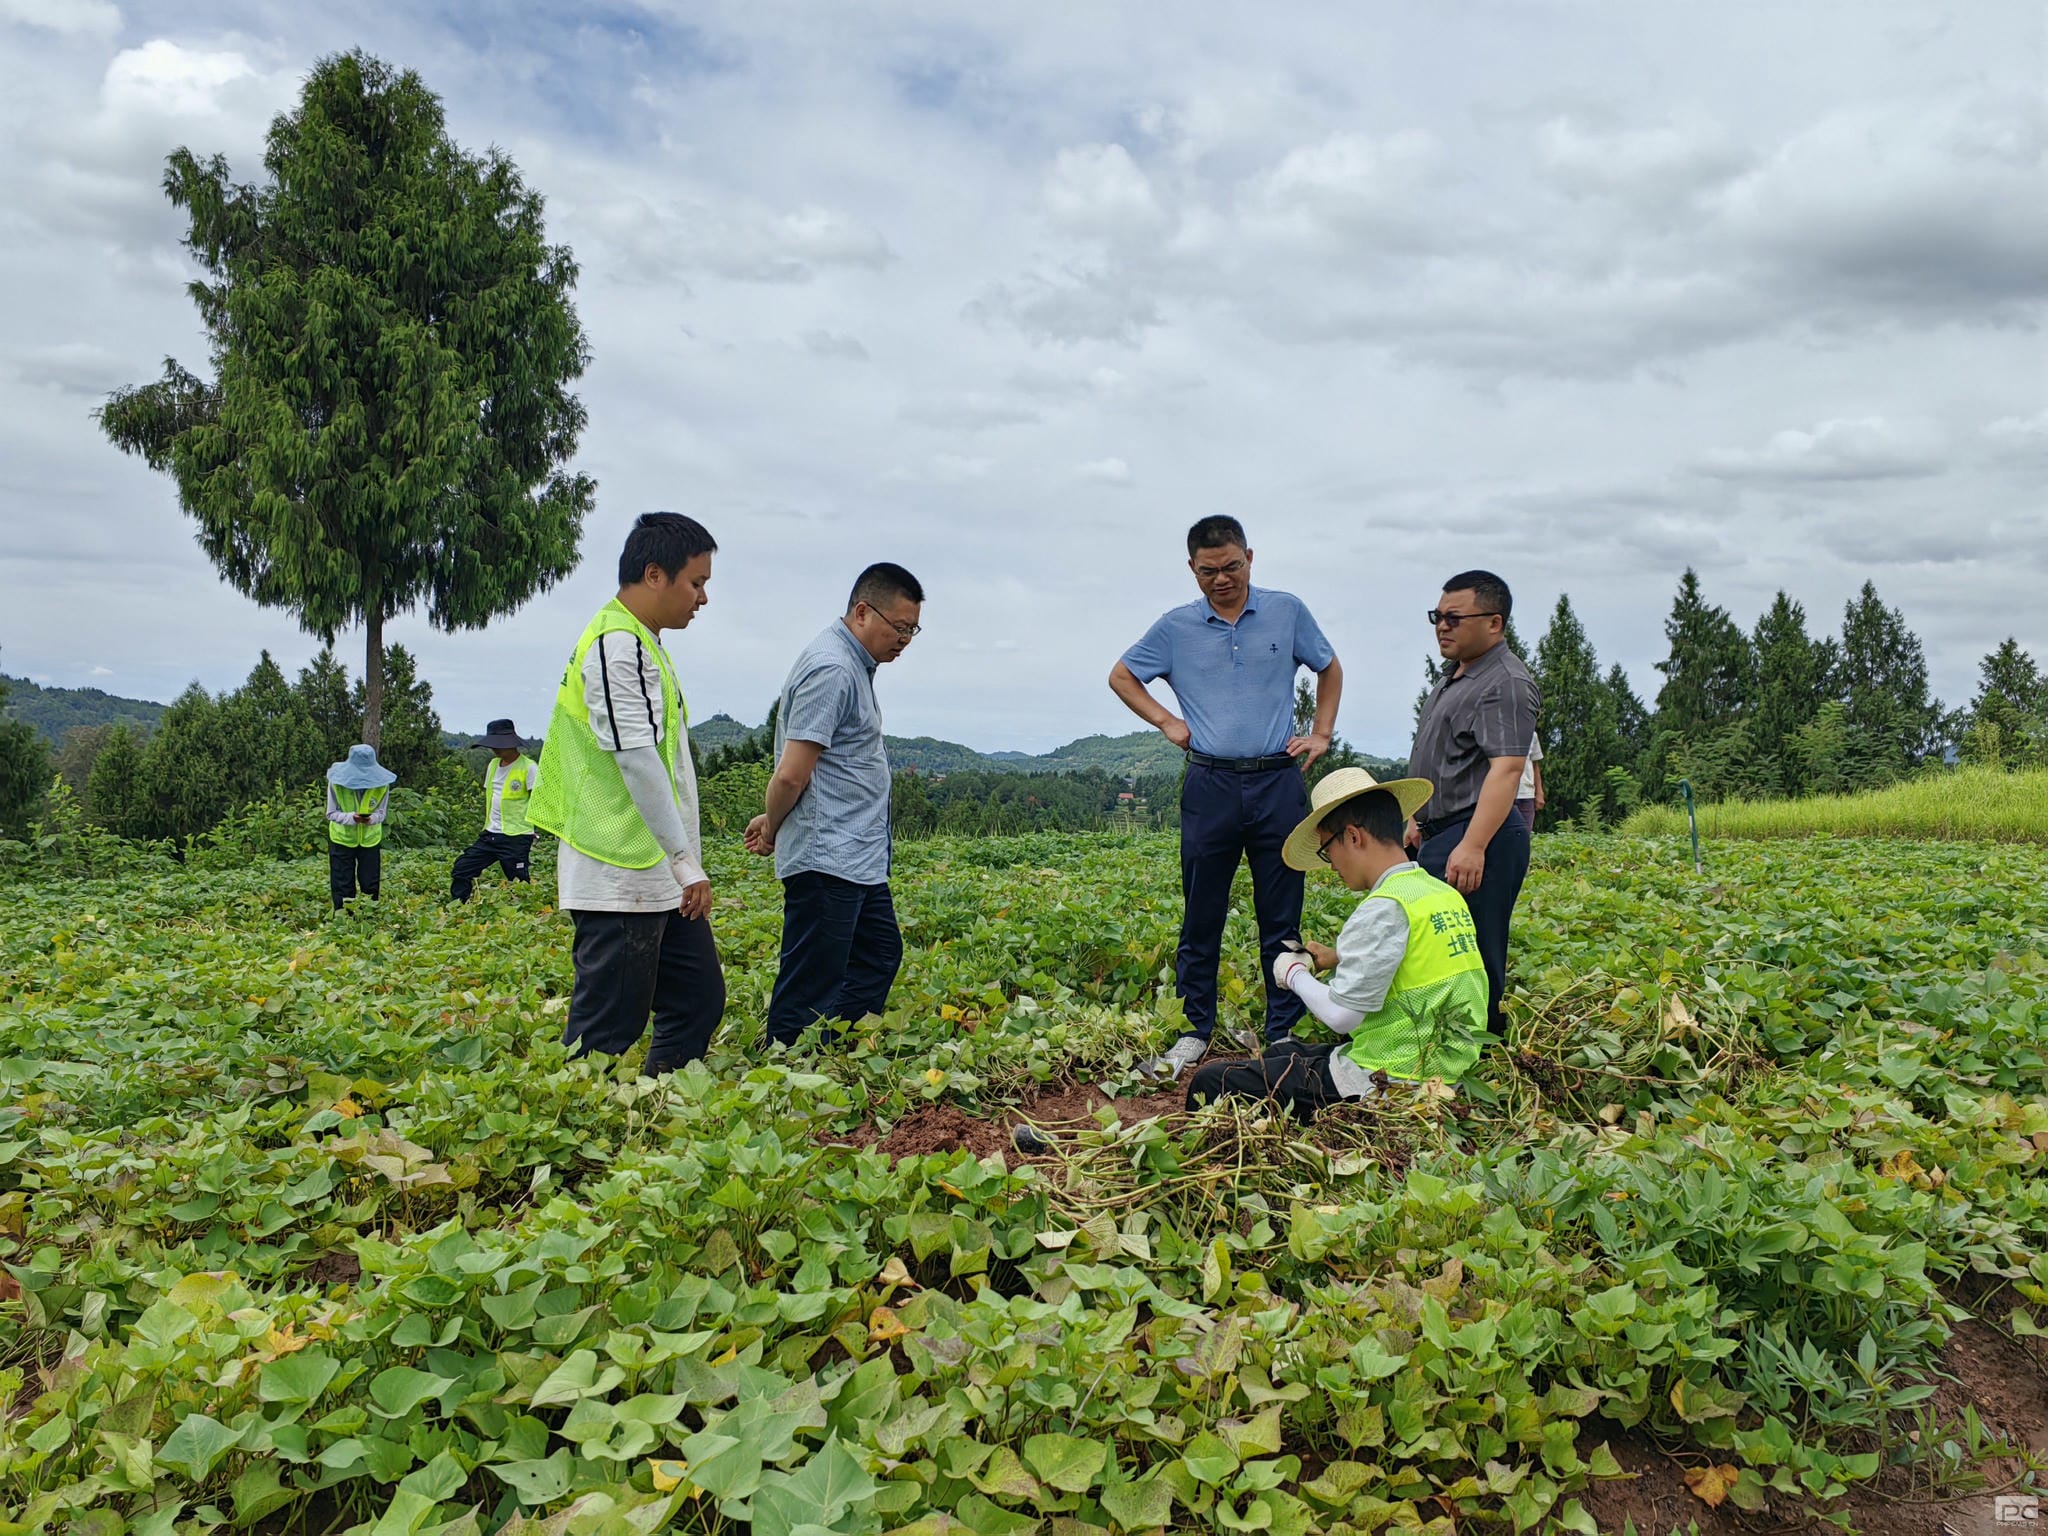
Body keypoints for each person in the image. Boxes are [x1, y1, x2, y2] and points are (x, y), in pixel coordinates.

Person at [1109, 515, 1342, 1079]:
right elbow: (1121, 676)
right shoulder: (1175, 628)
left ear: (1250, 558)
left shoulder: (1286, 611)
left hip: (1278, 780)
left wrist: (1322, 731)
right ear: (1192, 569)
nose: (1222, 579)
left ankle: (1281, 1031)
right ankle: (1195, 1029)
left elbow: (1329, 666)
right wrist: (1167, 722)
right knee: (1202, 909)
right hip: (1210, 783)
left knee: (1281, 912)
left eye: (1232, 566)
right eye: (1209, 571)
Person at [526, 513, 726, 1075]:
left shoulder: (645, 643)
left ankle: (656, 1106)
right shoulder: (618, 646)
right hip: (619, 872)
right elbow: (636, 759)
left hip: (656, 870)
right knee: (606, 1028)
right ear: (655, 574)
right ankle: (583, 1137)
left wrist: (681, 864)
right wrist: (686, 862)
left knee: (696, 1001)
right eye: (697, 583)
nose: (703, 599)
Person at [1184, 768, 1486, 1119]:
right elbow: (1412, 958)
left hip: (1388, 1082)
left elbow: (1341, 1016)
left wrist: (1294, 973)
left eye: (1328, 850)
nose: (1331, 867)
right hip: (1444, 1071)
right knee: (1282, 1056)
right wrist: (1338, 957)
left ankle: (1212, 1141)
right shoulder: (1438, 893)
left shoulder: (1383, 906)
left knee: (1211, 1081)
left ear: (1353, 837)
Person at [745, 563, 924, 1048]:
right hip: (830, 855)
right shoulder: (833, 669)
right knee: (812, 978)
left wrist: (773, 816)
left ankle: (826, 1051)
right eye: (900, 627)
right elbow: (791, 772)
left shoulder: (853, 666)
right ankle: (786, 1065)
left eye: (913, 629)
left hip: (855, 854)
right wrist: (775, 827)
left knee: (879, 955)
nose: (906, 639)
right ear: (863, 612)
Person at [1405, 570, 1539, 1036]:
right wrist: (1416, 816)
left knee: (1476, 953)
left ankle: (1481, 1054)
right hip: (1444, 830)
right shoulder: (1455, 676)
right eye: (1437, 617)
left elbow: (1505, 769)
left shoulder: (1504, 682)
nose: (1442, 626)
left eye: (1454, 618)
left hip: (1480, 835)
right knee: (1439, 948)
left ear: (1494, 623)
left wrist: (1474, 845)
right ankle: (1438, 1043)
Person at [449, 719, 540, 900]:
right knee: (462, 868)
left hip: (516, 836)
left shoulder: (529, 768)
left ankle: (528, 915)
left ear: (512, 744)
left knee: (519, 881)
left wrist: (533, 829)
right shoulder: (492, 765)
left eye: (500, 746)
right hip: (490, 833)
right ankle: (459, 907)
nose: (495, 750)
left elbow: (538, 801)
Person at [325, 744, 395, 909]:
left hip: (370, 840)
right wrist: (351, 818)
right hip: (342, 839)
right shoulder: (336, 783)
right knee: (343, 885)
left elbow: (381, 813)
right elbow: (330, 813)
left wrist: (370, 819)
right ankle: (344, 920)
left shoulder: (381, 785)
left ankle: (369, 918)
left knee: (370, 884)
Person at [1515, 733, 1545, 832]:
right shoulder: (1495, 729)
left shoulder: (1531, 733)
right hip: (1502, 794)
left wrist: (1539, 792)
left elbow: (1535, 765)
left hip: (1526, 794)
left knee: (1524, 836)